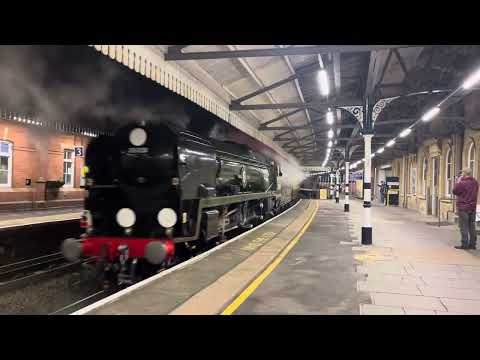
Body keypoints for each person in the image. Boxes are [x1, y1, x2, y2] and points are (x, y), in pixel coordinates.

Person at [452, 168, 479, 250]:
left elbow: (454, 191)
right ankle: (473, 244)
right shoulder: (475, 182)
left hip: (463, 208)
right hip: (472, 207)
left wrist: (458, 181)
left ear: (464, 173)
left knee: (464, 226)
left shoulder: (462, 183)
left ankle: (465, 244)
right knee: (472, 226)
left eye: (462, 173)